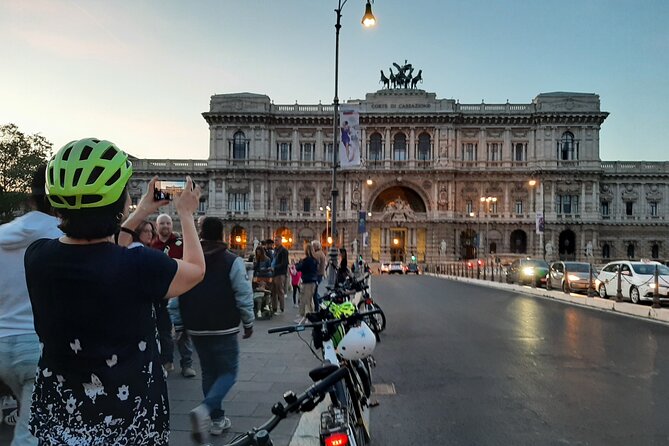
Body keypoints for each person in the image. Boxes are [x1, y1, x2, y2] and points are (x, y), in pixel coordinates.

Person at [24, 138, 205, 445]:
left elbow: (103, 252)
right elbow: (196, 269)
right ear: (120, 204)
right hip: (126, 423)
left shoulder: (38, 256)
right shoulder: (139, 265)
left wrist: (144, 208)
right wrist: (186, 214)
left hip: (59, 418)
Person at [0, 165, 62, 446]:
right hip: (37, 348)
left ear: (30, 199)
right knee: (29, 436)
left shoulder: (3, 233)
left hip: (2, 343)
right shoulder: (63, 236)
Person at [178, 217, 254, 443]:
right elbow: (243, 294)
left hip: (196, 327)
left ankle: (217, 420)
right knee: (228, 372)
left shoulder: (190, 260)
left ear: (200, 234)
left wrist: (180, 323)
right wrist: (248, 322)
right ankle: (206, 409)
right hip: (224, 326)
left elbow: (177, 295)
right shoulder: (232, 261)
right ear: (223, 235)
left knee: (209, 372)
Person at [151, 214, 197, 378]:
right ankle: (167, 362)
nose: (165, 226)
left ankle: (187, 364)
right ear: (157, 226)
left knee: (183, 331)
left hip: (180, 292)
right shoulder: (151, 245)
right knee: (163, 330)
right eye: (162, 223)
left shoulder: (180, 244)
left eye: (168, 223)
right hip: (160, 295)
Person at [295, 242, 318, 321]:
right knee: (307, 299)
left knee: (306, 300)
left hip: (308, 282)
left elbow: (299, 268)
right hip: (311, 281)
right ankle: (305, 315)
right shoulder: (314, 260)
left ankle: (309, 316)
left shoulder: (308, 260)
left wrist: (298, 263)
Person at [270, 236, 288, 314]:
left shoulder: (284, 250)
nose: (275, 242)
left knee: (280, 290)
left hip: (280, 273)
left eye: (277, 240)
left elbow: (284, 263)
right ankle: (274, 308)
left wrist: (275, 267)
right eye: (275, 240)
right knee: (273, 291)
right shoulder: (275, 250)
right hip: (274, 273)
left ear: (281, 241)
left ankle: (281, 308)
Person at [312, 240, 327, 307]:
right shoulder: (321, 253)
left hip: (317, 275)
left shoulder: (317, 254)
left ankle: (318, 306)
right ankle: (320, 303)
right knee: (315, 291)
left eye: (313, 246)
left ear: (315, 246)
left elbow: (315, 265)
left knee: (314, 292)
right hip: (320, 274)